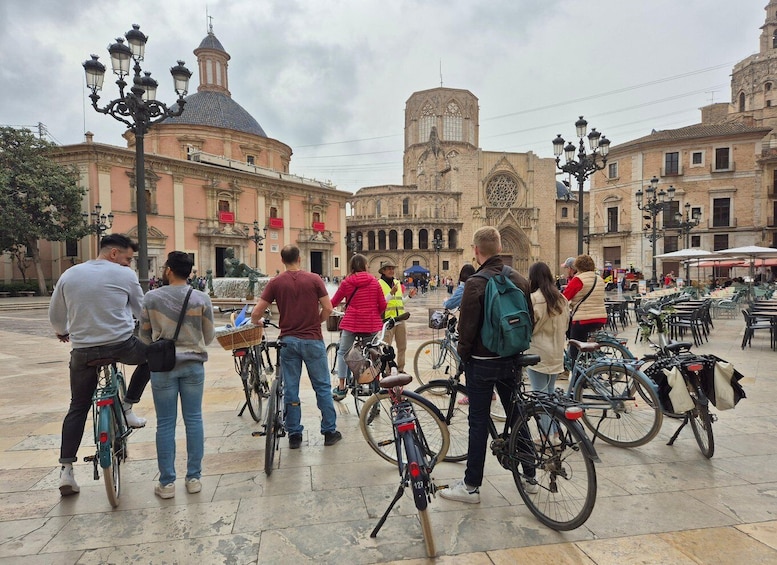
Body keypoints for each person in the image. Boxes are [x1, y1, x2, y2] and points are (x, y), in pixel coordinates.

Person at [440, 226, 537, 503]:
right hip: (512, 359)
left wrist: (463, 356)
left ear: (476, 250)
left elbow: (467, 328)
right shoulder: (519, 278)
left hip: (482, 363)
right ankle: (530, 474)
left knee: (478, 421)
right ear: (499, 248)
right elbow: (529, 317)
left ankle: (471, 486)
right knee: (516, 412)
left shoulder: (475, 282)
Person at [49, 234, 150, 496]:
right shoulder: (124, 275)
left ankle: (66, 471)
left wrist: (62, 331)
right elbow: (142, 311)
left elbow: (56, 313)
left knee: (78, 406)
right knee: (151, 358)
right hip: (121, 345)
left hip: (83, 351)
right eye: (127, 259)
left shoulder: (70, 274)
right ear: (114, 254)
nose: (128, 264)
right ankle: (127, 406)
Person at [139, 251, 215, 499]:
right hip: (193, 365)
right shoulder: (201, 298)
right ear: (190, 271)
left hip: (163, 366)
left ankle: (167, 483)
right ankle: (194, 478)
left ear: (169, 269)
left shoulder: (151, 297)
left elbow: (144, 335)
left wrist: (161, 340)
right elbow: (209, 335)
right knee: (194, 420)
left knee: (165, 424)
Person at [249, 245, 341, 448]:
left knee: (291, 388)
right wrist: (317, 321)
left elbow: (256, 313)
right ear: (300, 259)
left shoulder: (275, 283)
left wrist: (258, 322)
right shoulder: (315, 279)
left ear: (282, 260)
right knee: (322, 387)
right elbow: (328, 308)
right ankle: (329, 431)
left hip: (288, 341)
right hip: (313, 340)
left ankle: (294, 435)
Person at [330, 254, 387, 399]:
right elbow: (383, 305)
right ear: (365, 266)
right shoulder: (375, 282)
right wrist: (373, 313)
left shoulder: (346, 282)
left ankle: (341, 387)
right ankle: (375, 388)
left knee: (343, 352)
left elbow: (334, 302)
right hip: (371, 324)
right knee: (374, 355)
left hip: (352, 323)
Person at [526, 261, 569, 442]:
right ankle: (556, 433)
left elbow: (530, 327)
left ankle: (545, 437)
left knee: (540, 397)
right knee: (550, 395)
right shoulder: (561, 298)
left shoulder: (534, 299)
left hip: (538, 354)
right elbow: (566, 325)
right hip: (557, 353)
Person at [563, 254, 607, 364]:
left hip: (583, 320)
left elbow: (564, 298)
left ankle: (577, 375)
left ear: (577, 266)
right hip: (601, 318)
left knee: (575, 350)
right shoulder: (599, 279)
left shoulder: (578, 279)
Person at [376, 261, 416, 373]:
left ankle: (400, 369)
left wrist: (409, 297)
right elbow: (380, 303)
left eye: (392, 268)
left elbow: (400, 302)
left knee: (402, 347)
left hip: (400, 319)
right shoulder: (378, 284)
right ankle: (388, 372)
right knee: (386, 348)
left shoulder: (397, 283)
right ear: (383, 271)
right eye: (388, 268)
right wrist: (391, 293)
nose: (391, 270)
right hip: (387, 321)